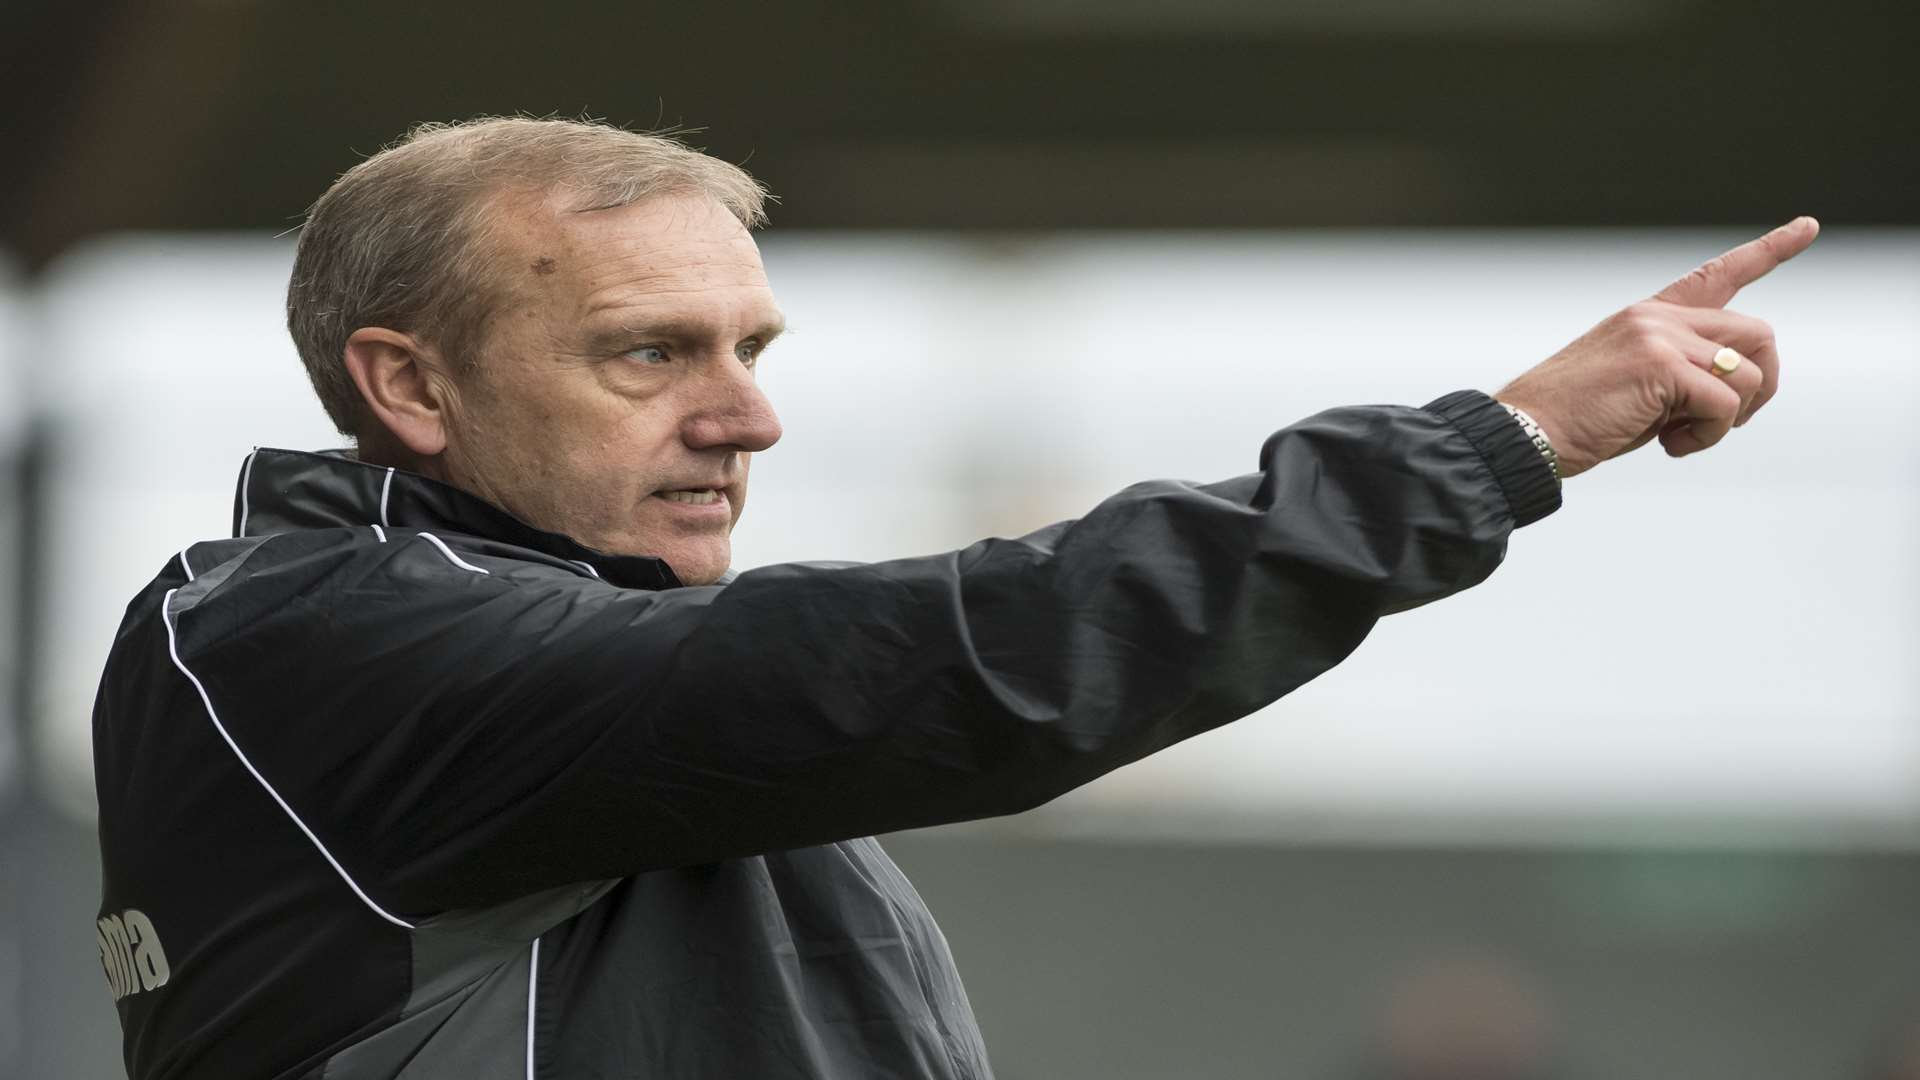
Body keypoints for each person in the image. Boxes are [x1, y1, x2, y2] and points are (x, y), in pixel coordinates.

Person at [89, 116, 1817, 1080]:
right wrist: (1494, 446)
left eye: (752, 350)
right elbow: (944, 665)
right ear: (408, 387)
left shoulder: (582, 697)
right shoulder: (330, 644)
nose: (748, 414)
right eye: (650, 353)